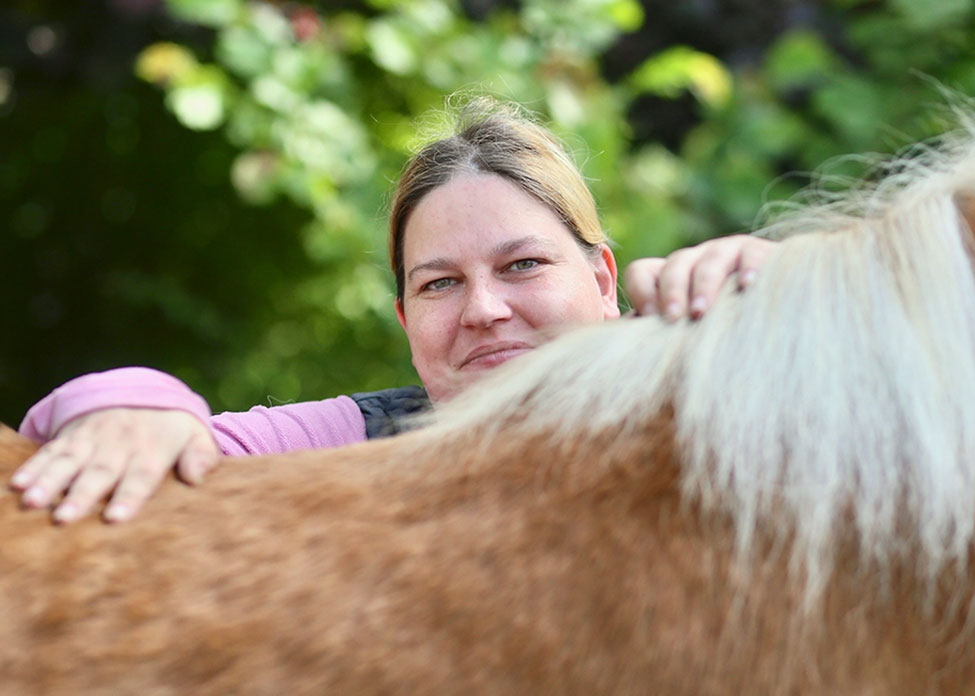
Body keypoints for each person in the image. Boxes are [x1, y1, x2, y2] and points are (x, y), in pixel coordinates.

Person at [10, 100, 775, 523]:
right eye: (439, 283)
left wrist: (785, 287)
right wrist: (139, 402)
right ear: (408, 323)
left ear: (603, 280)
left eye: (523, 265)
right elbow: (184, 434)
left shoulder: (705, 385)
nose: (482, 308)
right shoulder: (363, 435)